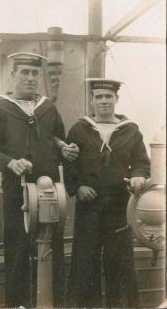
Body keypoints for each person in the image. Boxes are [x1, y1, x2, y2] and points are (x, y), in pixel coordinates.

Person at [0, 52, 79, 308]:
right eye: (24, 72)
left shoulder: (47, 108)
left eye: (35, 73)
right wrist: (11, 163)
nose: (31, 78)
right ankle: (18, 305)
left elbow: (56, 138)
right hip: (17, 192)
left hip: (49, 192)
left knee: (51, 249)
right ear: (12, 76)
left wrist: (63, 149)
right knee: (18, 251)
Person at [64, 78, 150, 308]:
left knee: (121, 265)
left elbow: (142, 162)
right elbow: (69, 163)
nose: (104, 101)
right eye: (99, 97)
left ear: (116, 99)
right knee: (84, 264)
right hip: (89, 208)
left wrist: (139, 175)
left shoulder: (131, 131)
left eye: (108, 97)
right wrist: (78, 187)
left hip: (120, 208)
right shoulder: (79, 129)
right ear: (92, 100)